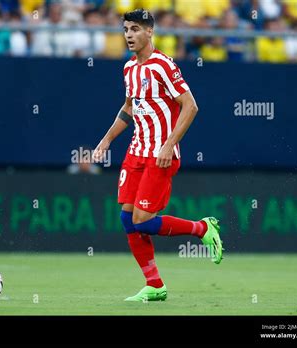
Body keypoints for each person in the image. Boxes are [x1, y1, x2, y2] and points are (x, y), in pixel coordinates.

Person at [93, 9, 223, 302]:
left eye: (136, 29)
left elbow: (190, 106)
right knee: (128, 220)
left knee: (143, 220)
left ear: (150, 32)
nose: (129, 34)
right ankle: (155, 285)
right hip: (135, 152)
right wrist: (106, 140)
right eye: (126, 29)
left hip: (160, 155)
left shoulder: (163, 65)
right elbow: (129, 108)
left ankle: (202, 228)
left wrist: (168, 144)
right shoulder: (129, 68)